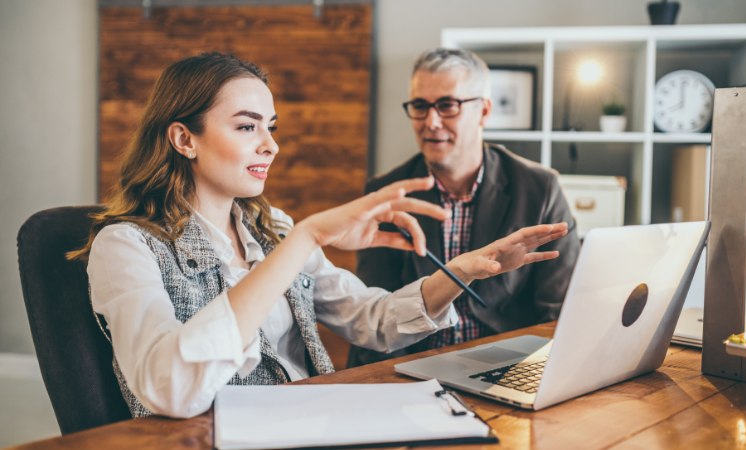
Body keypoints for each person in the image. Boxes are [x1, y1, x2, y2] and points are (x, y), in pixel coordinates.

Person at [67, 52, 569, 419]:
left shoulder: (272, 227)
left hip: (311, 422)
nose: (271, 145)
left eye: (272, 126)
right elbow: (171, 390)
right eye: (247, 127)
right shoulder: (126, 246)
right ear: (184, 138)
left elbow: (373, 320)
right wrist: (304, 240)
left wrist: (461, 271)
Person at [347, 48, 580, 368]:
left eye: (447, 105)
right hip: (416, 368)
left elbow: (558, 312)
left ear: (484, 111)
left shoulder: (540, 189)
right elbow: (374, 312)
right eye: (420, 106)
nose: (431, 121)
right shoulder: (385, 192)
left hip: (507, 365)